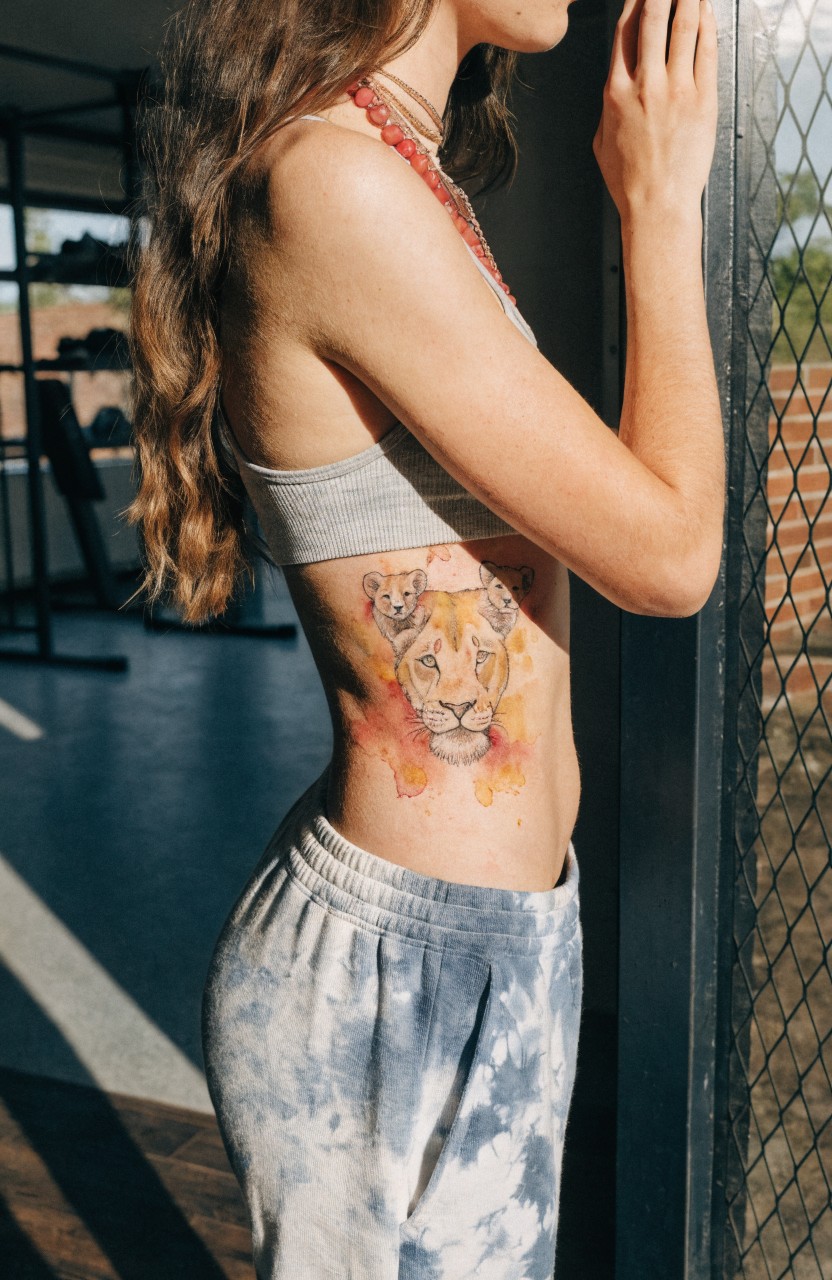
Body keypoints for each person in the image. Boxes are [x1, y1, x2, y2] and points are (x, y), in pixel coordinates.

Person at [126, 0, 722, 1274]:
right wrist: (659, 212)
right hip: (403, 974)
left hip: (487, 940)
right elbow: (670, 559)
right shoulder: (330, 182)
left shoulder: (397, 170)